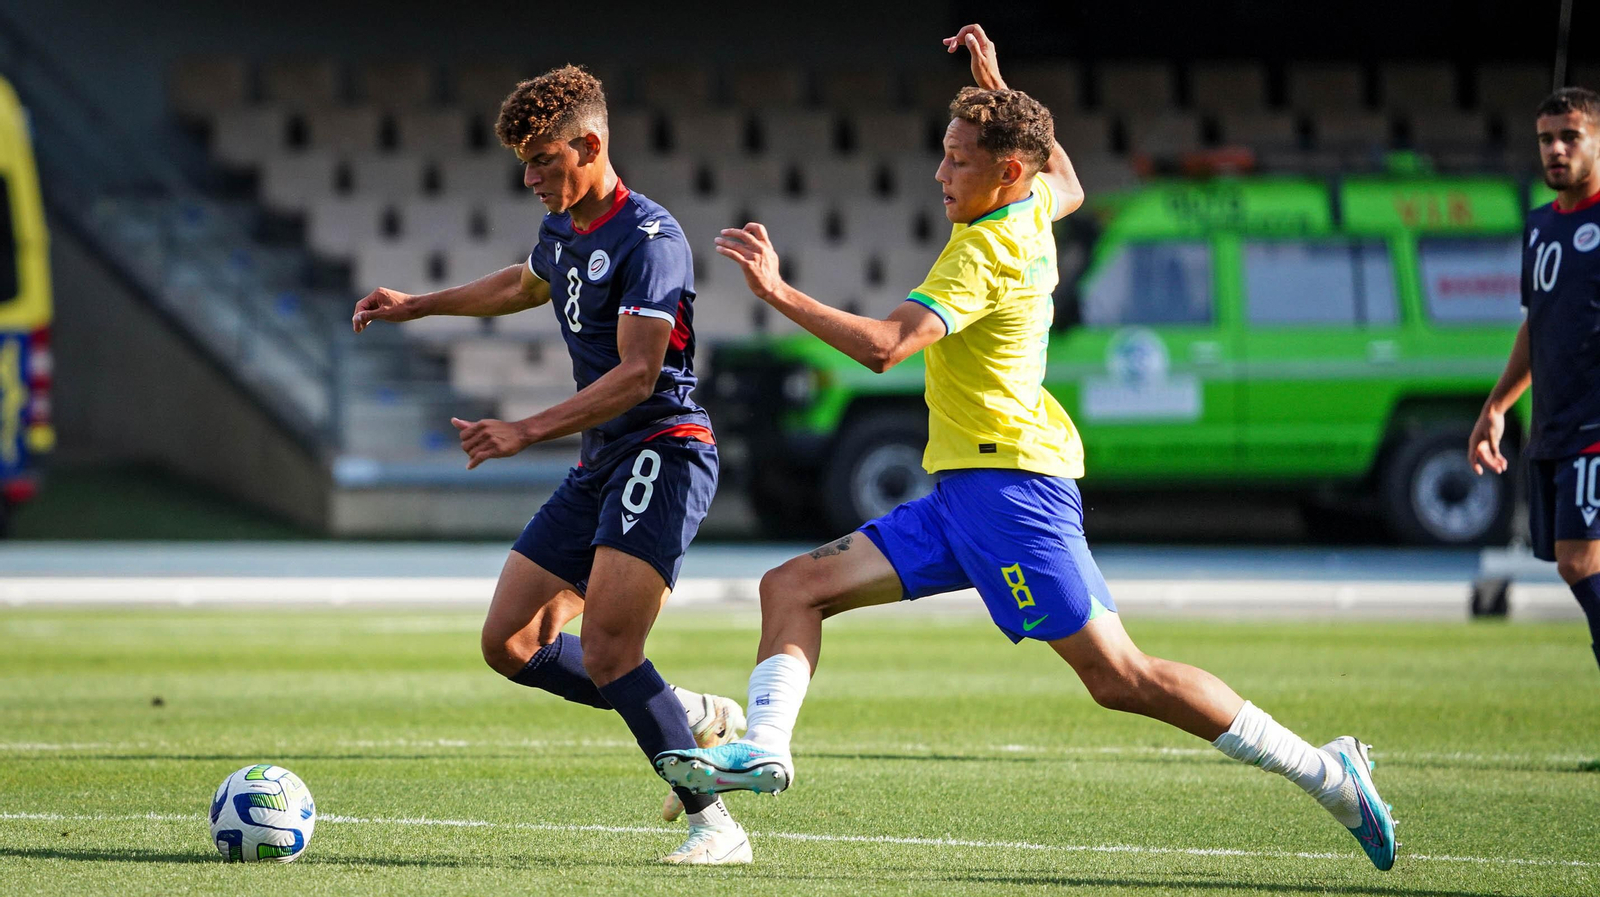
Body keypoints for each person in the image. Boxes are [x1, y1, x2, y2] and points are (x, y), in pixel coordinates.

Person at [655, 26, 1396, 871]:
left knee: (1123, 678)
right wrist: (1000, 86)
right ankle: (768, 748)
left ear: (1006, 172)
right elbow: (1067, 178)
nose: (941, 174)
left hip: (1013, 492)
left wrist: (777, 290)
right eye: (943, 153)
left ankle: (1328, 771)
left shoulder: (987, 247)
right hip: (966, 489)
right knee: (792, 586)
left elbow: (885, 348)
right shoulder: (1035, 201)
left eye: (958, 159)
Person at [351, 65, 750, 864]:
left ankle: (717, 824)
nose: (530, 178)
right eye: (523, 164)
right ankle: (683, 711)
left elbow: (639, 374)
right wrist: (416, 304)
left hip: (665, 451)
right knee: (511, 642)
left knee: (607, 648)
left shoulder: (651, 240)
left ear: (590, 144)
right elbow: (524, 283)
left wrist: (523, 429)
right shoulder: (566, 227)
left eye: (542, 159)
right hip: (605, 458)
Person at [1471, 86, 1600, 675]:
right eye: (1547, 138)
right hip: (1554, 426)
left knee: (1579, 562)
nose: (1556, 149)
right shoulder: (1540, 226)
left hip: (1595, 428)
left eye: (1570, 136)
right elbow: (1537, 323)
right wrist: (1497, 406)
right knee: (1572, 563)